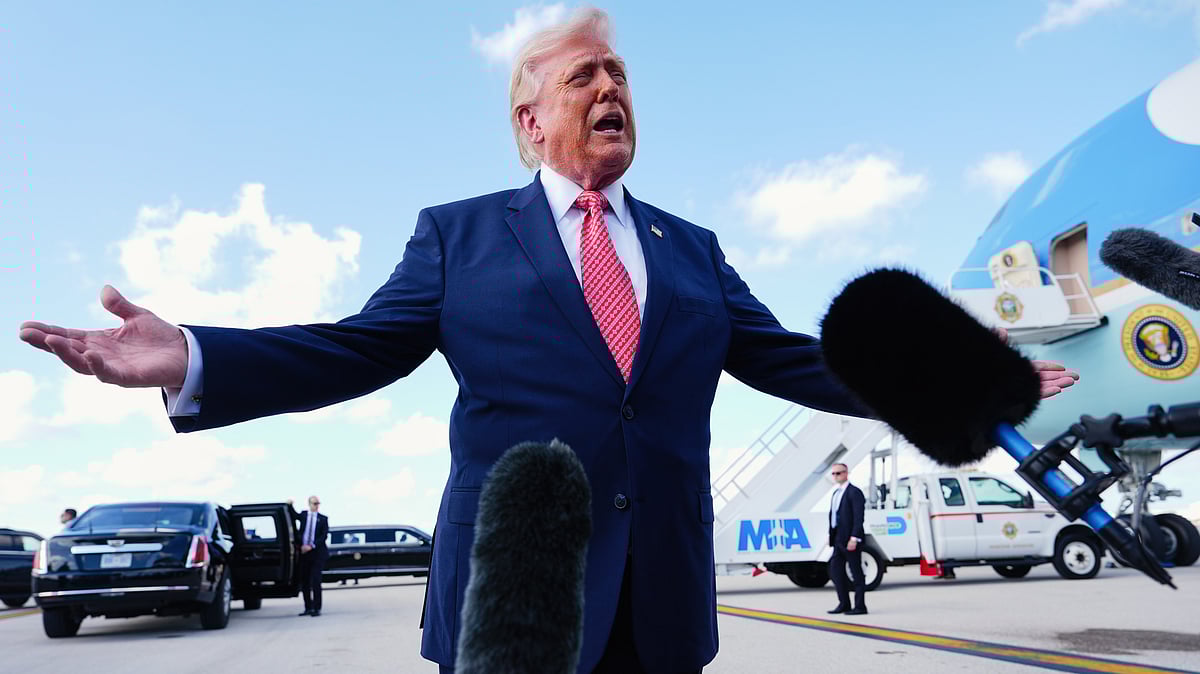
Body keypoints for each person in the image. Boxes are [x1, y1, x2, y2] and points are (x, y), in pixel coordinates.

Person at [17, 8, 1079, 672]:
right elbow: (359, 347)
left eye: (619, 78)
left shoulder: (692, 248)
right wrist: (196, 353)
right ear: (530, 120)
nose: (610, 90)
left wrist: (971, 381)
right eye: (584, 78)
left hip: (659, 600)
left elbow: (794, 358)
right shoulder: (460, 236)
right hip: (515, 599)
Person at [826, 463, 868, 615]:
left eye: (839, 473)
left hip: (850, 539)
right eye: (834, 474)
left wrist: (854, 538)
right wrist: (831, 535)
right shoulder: (836, 493)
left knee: (856, 573)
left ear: (846, 473)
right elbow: (834, 517)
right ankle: (844, 603)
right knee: (836, 571)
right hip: (838, 539)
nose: (836, 476)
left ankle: (860, 606)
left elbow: (858, 517)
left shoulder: (854, 492)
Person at [297, 495, 329, 617]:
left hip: (317, 553)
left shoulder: (323, 519)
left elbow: (324, 536)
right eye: (314, 503)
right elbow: (293, 515)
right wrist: (289, 505)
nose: (316, 506)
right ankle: (308, 607)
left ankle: (317, 608)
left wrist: (312, 545)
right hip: (304, 553)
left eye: (318, 504)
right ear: (309, 504)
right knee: (305, 581)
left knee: (316, 580)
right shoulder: (304, 515)